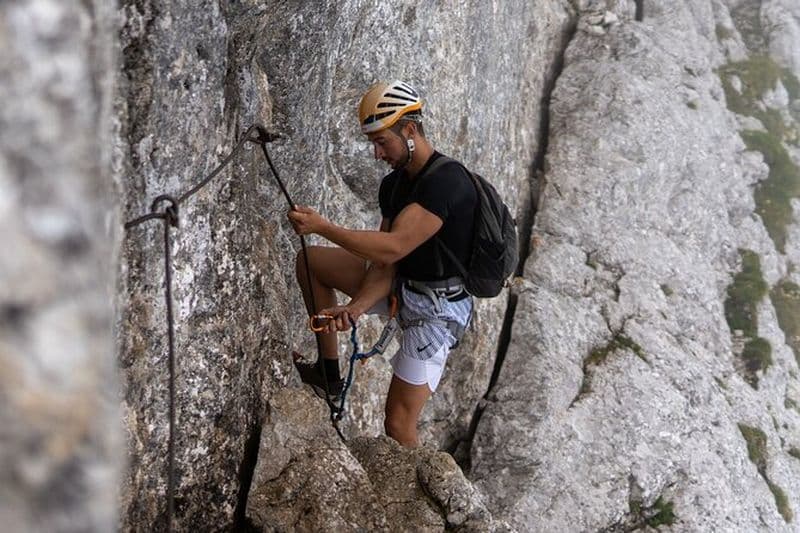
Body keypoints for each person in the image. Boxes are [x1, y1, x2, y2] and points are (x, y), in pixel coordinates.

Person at [288, 80, 476, 447]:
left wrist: (325, 226)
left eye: (381, 141)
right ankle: (329, 375)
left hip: (439, 310)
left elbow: (393, 247)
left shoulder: (448, 181)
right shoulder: (393, 187)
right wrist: (355, 309)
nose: (376, 153)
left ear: (409, 130)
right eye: (372, 143)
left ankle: (416, 500)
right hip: (402, 284)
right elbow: (384, 267)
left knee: (398, 423)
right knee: (311, 261)